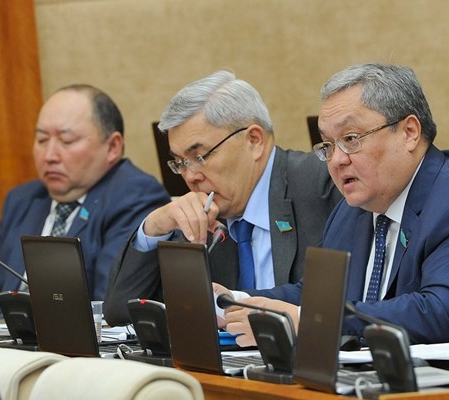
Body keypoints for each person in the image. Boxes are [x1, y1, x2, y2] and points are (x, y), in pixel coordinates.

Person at [218, 63, 449, 353]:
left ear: (409, 132)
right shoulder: (355, 209)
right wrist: (233, 300)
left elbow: (440, 314)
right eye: (328, 145)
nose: (336, 160)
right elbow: (317, 293)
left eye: (350, 139)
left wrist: (310, 320)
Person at [104, 71, 342, 325]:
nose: (190, 176)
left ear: (254, 141)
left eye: (200, 156)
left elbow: (336, 301)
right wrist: (154, 228)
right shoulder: (198, 217)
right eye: (180, 163)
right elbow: (121, 313)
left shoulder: (325, 183)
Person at [0, 84, 170, 319]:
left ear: (112, 147)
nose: (49, 155)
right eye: (42, 140)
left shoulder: (134, 195)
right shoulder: (23, 199)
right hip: (5, 338)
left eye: (67, 141)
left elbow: (109, 302)